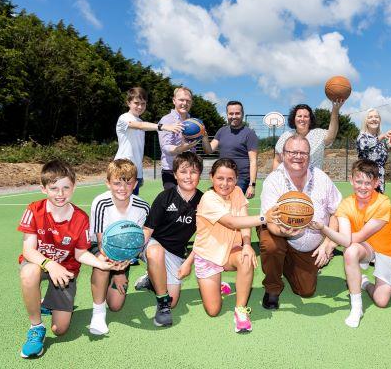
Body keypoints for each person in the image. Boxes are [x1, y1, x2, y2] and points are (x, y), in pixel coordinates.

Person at [17, 160, 123, 358]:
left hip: (66, 270)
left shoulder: (81, 218)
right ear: (43, 189)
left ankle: (47, 303)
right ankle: (36, 327)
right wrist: (50, 264)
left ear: (73, 187)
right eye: (54, 188)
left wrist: (101, 263)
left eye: (66, 187)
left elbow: (80, 254)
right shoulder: (33, 210)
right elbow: (29, 250)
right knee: (28, 271)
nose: (60, 193)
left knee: (60, 329)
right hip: (40, 264)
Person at [183, 158, 278, 332]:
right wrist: (265, 217)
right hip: (208, 256)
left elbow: (243, 221)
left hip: (230, 252)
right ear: (211, 177)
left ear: (236, 180)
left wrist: (248, 244)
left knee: (246, 258)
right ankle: (217, 284)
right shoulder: (208, 199)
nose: (225, 183)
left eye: (230, 179)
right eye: (220, 178)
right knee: (213, 311)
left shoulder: (238, 192)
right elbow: (233, 222)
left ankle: (240, 310)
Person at [311, 159, 391, 328]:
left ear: (376, 183)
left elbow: (358, 236)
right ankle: (356, 307)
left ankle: (365, 283)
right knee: (350, 252)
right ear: (351, 180)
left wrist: (329, 244)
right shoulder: (346, 205)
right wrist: (323, 228)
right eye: (358, 181)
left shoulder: (383, 203)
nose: (363, 186)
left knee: (381, 301)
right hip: (366, 247)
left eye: (368, 183)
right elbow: (346, 241)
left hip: (386, 249)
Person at [260, 135, 342, 309]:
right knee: (271, 245)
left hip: (309, 246)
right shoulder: (274, 181)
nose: (298, 156)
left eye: (303, 153)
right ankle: (272, 289)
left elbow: (337, 212)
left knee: (306, 291)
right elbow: (269, 221)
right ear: (283, 154)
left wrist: (328, 242)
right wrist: (284, 232)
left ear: (309, 156)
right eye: (292, 152)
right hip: (279, 233)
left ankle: (287, 263)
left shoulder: (321, 178)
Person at [137, 152, 204, 326]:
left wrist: (188, 262)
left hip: (176, 253)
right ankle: (162, 303)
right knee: (156, 252)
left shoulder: (204, 201)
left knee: (174, 301)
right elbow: (148, 229)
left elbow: (204, 237)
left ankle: (152, 279)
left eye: (194, 172)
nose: (188, 177)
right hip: (154, 245)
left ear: (200, 174)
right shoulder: (165, 197)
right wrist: (134, 251)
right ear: (175, 175)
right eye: (183, 172)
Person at [88, 159, 150, 336]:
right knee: (101, 263)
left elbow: (138, 243)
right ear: (108, 183)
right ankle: (98, 314)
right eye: (116, 183)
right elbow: (101, 244)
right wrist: (118, 272)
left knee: (115, 305)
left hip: (126, 254)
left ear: (135, 184)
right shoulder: (100, 203)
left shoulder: (143, 207)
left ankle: (107, 282)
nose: (122, 188)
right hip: (102, 249)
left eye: (128, 182)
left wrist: (124, 266)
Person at [114, 87, 182, 195]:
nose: (140, 106)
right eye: (136, 103)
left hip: (136, 171)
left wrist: (139, 172)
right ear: (128, 102)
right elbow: (140, 126)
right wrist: (164, 126)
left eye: (143, 103)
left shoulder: (140, 121)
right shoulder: (124, 118)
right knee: (122, 205)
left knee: (132, 205)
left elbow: (142, 125)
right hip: (122, 168)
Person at [159, 87, 212, 189]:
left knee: (189, 202)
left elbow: (207, 149)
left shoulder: (194, 122)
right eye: (181, 100)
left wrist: (204, 136)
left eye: (188, 100)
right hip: (171, 171)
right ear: (174, 100)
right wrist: (181, 148)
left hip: (190, 169)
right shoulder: (166, 120)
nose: (185, 103)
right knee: (173, 202)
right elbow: (165, 148)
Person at [273, 101, 344, 170]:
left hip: (313, 180)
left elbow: (331, 137)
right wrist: (274, 179)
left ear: (310, 120)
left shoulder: (318, 134)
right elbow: (277, 160)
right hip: (289, 180)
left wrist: (335, 110)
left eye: (306, 116)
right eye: (299, 116)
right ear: (294, 119)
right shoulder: (286, 136)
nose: (302, 119)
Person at [208, 101, 259, 198]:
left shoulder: (250, 134)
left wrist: (252, 185)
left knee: (233, 206)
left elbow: (253, 161)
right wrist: (203, 137)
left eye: (237, 113)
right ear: (227, 114)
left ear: (242, 114)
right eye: (231, 113)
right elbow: (209, 150)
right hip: (222, 176)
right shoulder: (221, 131)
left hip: (240, 179)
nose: (234, 116)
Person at [356, 109, 390, 193]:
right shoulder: (362, 136)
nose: (374, 119)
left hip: (379, 179)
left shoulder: (382, 140)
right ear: (366, 121)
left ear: (379, 120)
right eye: (370, 117)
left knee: (378, 205)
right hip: (365, 178)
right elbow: (364, 146)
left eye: (376, 117)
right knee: (366, 205)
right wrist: (381, 137)